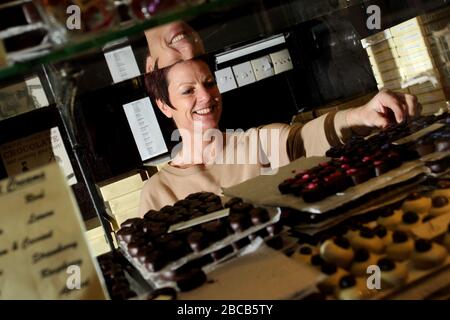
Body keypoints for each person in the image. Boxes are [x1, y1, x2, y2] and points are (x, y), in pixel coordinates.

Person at [138, 22, 421, 214]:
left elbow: (301, 140)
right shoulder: (158, 192)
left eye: (209, 83)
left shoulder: (254, 143)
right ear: (164, 106)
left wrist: (360, 115)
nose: (205, 97)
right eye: (188, 91)